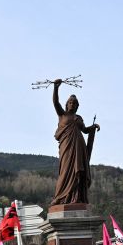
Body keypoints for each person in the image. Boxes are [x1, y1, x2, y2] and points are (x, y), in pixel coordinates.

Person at [49, 78, 101, 206]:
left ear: (77, 106)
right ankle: (60, 197)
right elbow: (55, 102)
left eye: (74, 103)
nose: (72, 104)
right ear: (67, 105)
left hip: (79, 147)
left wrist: (93, 127)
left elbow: (84, 130)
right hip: (67, 147)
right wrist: (56, 87)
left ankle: (76, 198)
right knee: (66, 171)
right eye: (70, 102)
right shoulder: (62, 115)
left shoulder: (78, 118)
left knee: (78, 171)